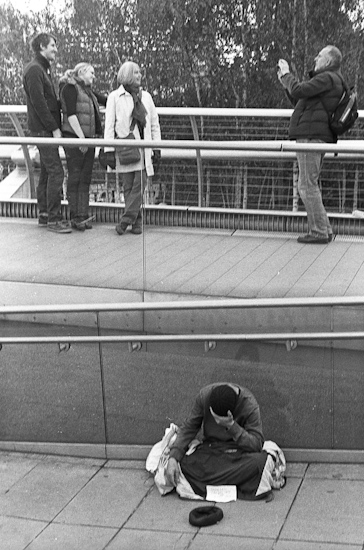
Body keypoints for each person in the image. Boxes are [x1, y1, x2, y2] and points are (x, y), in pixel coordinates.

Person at [277, 45, 345, 244]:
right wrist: (285, 81)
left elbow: (299, 90)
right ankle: (325, 229)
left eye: (320, 55)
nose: (316, 57)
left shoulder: (327, 78)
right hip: (316, 134)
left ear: (329, 61)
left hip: (311, 136)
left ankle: (319, 232)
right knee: (309, 184)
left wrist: (288, 74)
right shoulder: (330, 80)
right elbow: (301, 101)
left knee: (306, 185)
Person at [166, 382, 271, 500]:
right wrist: (173, 457)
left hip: (237, 453)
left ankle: (208, 485)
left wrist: (232, 426)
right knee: (183, 464)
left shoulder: (249, 404)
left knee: (259, 463)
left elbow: (257, 444)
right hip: (211, 451)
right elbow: (189, 428)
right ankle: (235, 484)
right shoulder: (204, 396)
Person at [104, 60, 161, 235]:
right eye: (135, 72)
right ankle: (137, 222)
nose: (139, 75)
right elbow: (109, 125)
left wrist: (157, 147)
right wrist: (108, 150)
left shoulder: (147, 97)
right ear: (127, 75)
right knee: (128, 185)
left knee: (139, 184)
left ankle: (125, 220)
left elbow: (154, 124)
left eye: (139, 72)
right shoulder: (114, 97)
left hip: (144, 149)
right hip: (126, 148)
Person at [23, 32, 71, 234]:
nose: (55, 49)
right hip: (43, 130)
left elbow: (48, 100)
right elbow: (39, 103)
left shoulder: (41, 69)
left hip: (43, 129)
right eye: (52, 45)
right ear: (42, 46)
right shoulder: (35, 70)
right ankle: (54, 218)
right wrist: (54, 128)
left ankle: (44, 214)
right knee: (56, 172)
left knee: (46, 171)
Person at [59, 63, 107, 230]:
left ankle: (82, 215)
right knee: (76, 176)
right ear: (81, 72)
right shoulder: (70, 88)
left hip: (87, 138)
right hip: (76, 139)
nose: (94, 76)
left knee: (85, 177)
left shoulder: (87, 91)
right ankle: (75, 216)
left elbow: (106, 100)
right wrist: (81, 139)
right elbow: (71, 115)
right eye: (91, 73)